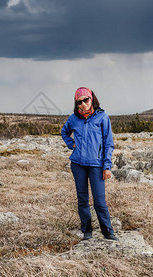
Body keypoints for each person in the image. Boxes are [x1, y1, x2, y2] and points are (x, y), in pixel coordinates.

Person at [61, 87, 118, 241]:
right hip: (78, 164)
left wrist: (107, 166)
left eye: (85, 100)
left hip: (96, 165)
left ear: (92, 99)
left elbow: (108, 144)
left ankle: (108, 232)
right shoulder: (74, 118)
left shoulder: (102, 118)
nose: (83, 104)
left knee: (99, 200)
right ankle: (87, 230)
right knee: (82, 199)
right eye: (79, 102)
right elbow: (64, 132)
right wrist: (70, 143)